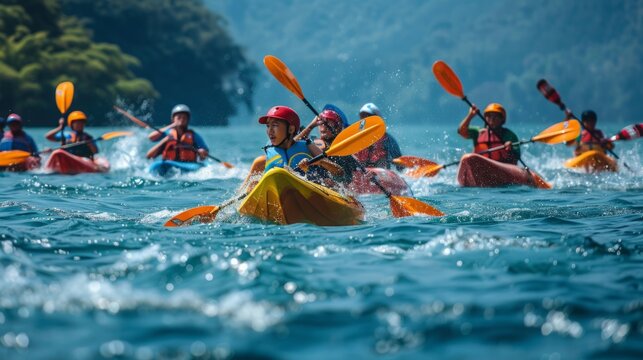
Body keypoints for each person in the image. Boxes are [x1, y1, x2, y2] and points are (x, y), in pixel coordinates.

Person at [241, 106, 346, 192]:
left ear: (291, 129)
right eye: (268, 126)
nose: (270, 131)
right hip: (276, 196)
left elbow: (340, 172)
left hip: (310, 192)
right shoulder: (261, 162)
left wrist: (320, 162)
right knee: (255, 182)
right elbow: (241, 193)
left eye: (275, 125)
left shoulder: (308, 146)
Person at [296, 108, 360, 186]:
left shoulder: (344, 152)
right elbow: (293, 144)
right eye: (321, 123)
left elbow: (346, 179)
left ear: (337, 128)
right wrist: (311, 126)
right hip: (313, 180)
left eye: (328, 124)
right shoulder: (312, 141)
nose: (323, 127)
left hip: (334, 188)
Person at [353, 102, 403, 169]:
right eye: (363, 117)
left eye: (368, 116)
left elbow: (398, 161)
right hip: (360, 170)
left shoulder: (387, 139)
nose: (365, 120)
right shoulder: (355, 138)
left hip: (380, 170)